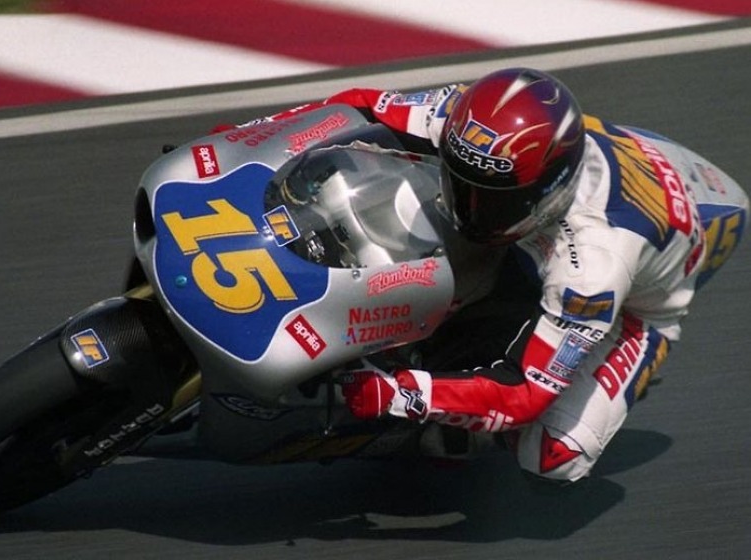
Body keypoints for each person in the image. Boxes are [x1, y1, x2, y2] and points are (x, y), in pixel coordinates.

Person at [245, 67, 748, 486]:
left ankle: (462, 432)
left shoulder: (594, 267)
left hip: (636, 303)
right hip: (567, 203)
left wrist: (400, 393)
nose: (469, 208)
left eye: (493, 199)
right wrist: (256, 140)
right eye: (463, 185)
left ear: (549, 192)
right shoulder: (472, 124)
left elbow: (525, 393)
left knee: (553, 456)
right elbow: (358, 106)